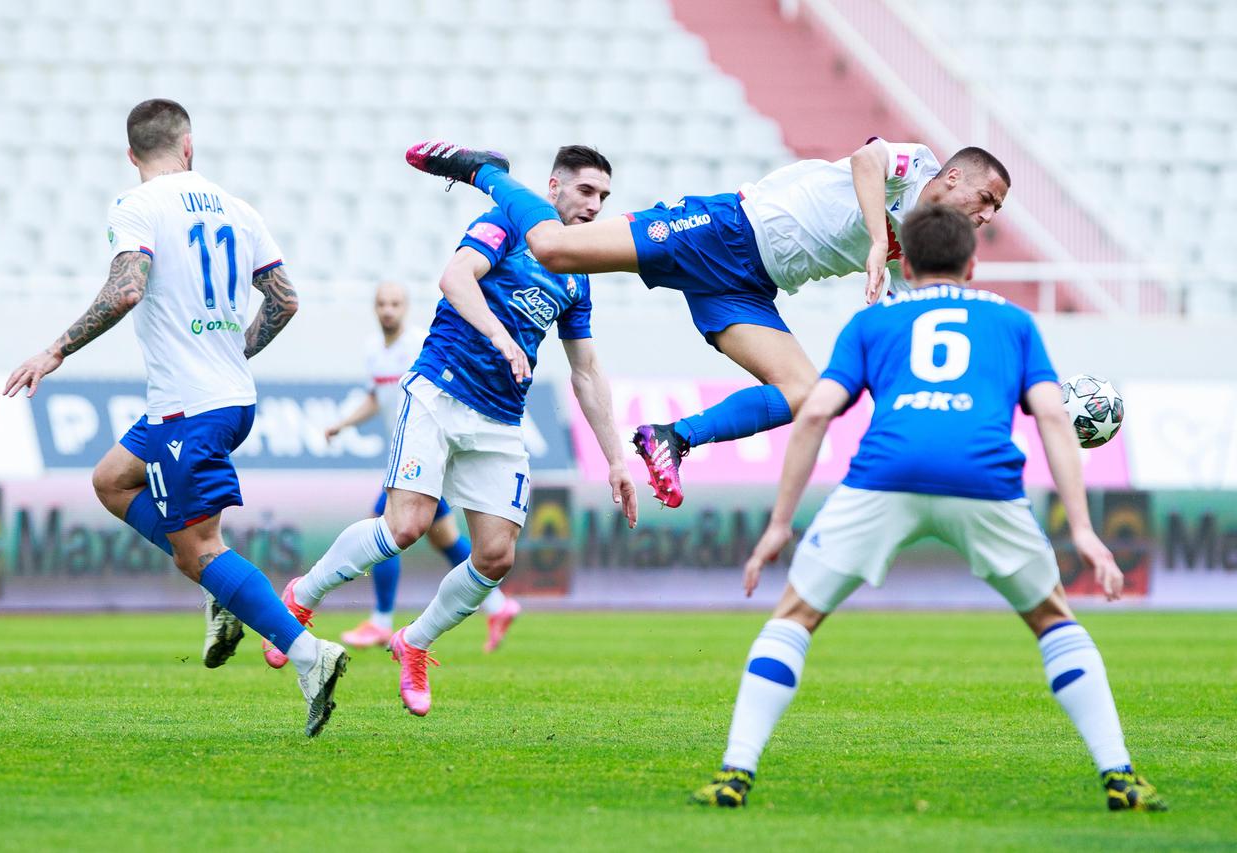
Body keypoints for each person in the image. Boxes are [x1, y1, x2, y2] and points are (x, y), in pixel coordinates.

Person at [687, 204, 1165, 812]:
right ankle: (1120, 775)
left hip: (886, 474)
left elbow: (812, 412)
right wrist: (1084, 530)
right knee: (1054, 622)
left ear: (905, 263)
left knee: (794, 618)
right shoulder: (1013, 323)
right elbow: (1050, 415)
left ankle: (735, 773)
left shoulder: (873, 324)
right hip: (983, 478)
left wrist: (780, 524)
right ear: (972, 264)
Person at [405, 139, 1010, 508]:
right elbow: (866, 158)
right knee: (559, 249)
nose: (986, 216)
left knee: (806, 393)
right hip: (727, 228)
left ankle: (672, 438)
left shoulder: (926, 245)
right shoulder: (918, 165)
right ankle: (487, 172)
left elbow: (919, 326)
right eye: (985, 199)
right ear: (953, 177)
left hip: (748, 289)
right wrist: (879, 240)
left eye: (995, 211)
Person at [2, 99, 348, 737]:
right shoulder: (238, 209)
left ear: (131, 155)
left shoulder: (137, 206)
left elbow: (128, 288)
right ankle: (223, 590)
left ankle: (309, 655)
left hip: (191, 406)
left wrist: (54, 350)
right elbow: (285, 300)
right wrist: (231, 351)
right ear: (190, 147)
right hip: (220, 398)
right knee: (111, 480)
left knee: (198, 552)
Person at [272, 146, 638, 716]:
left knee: (495, 557)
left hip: (500, 418)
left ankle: (413, 642)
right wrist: (501, 335)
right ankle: (302, 596)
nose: (595, 206)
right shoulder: (509, 221)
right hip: (440, 392)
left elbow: (586, 370)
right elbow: (455, 278)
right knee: (407, 526)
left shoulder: (578, 274)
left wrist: (615, 458)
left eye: (604, 198)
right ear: (554, 187)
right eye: (586, 191)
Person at [275, 281, 519, 661]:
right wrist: (344, 423)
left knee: (385, 522)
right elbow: (377, 396)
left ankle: (382, 618)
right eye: (382, 304)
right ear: (375, 308)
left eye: (395, 303)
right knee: (443, 540)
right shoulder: (375, 350)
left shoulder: (423, 345)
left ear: (405, 307)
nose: (388, 310)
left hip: (431, 453)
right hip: (410, 455)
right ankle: (498, 604)